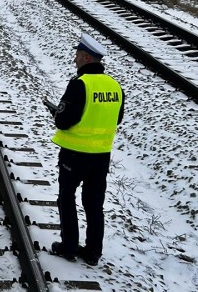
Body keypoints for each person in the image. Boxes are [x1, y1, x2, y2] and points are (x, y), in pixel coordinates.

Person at [48, 32, 125, 266]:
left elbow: (63, 121)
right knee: (94, 203)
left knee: (66, 198)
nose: (75, 60)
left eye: (78, 56)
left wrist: (57, 112)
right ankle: (93, 252)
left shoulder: (79, 84)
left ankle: (69, 246)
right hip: (101, 155)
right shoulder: (114, 85)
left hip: (75, 153)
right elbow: (117, 118)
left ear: (87, 59)